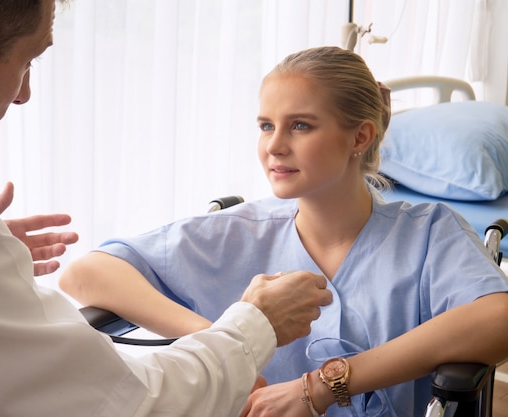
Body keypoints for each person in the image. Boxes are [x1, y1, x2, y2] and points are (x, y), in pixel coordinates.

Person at [0, 1, 334, 416]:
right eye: (28, 61)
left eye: (300, 126)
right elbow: (126, 405)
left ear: (362, 138)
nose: (25, 94)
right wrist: (252, 326)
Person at [59, 46, 508, 417]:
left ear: (360, 137)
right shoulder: (236, 234)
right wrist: (226, 338)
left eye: (300, 125)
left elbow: (498, 318)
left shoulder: (429, 234)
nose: (274, 145)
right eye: (266, 126)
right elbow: (86, 273)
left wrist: (323, 387)